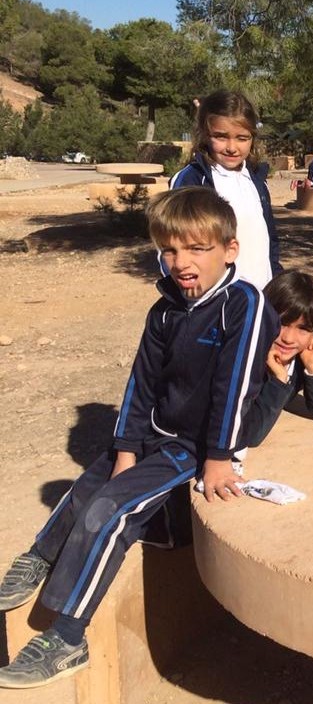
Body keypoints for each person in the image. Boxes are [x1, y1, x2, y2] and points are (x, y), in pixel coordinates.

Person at [0, 187, 278, 689]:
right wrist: (125, 448)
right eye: (170, 250)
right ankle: (42, 555)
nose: (181, 262)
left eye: (197, 249)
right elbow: (142, 382)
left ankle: (67, 636)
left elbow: (233, 386)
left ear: (229, 250)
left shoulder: (243, 305)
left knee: (112, 511)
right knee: (90, 484)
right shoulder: (165, 309)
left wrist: (217, 458)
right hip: (154, 434)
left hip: (192, 448)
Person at [171, 90, 281, 287]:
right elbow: (174, 246)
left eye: (242, 138)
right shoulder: (193, 181)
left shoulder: (256, 180)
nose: (232, 147)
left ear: (252, 138)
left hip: (261, 297)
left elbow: (269, 240)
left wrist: (276, 284)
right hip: (217, 304)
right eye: (221, 136)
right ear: (205, 134)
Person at [237, 271, 313, 452]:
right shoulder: (244, 358)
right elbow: (250, 435)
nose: (288, 338)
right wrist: (278, 380)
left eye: (303, 329)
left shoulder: (301, 358)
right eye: (282, 323)